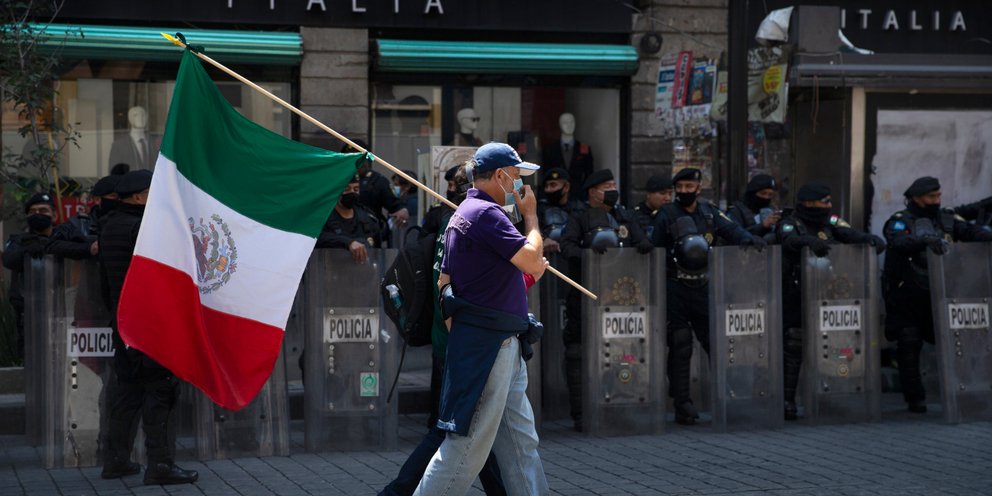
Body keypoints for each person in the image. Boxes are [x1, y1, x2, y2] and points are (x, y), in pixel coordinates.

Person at [415, 142, 547, 496]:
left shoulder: (464, 214)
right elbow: (532, 259)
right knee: (467, 445)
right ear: (500, 175)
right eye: (516, 176)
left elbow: (447, 283)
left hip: (496, 339)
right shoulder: (485, 213)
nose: (520, 186)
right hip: (490, 344)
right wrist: (532, 217)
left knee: (520, 443)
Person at [380, 163, 508, 496]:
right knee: (453, 427)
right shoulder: (471, 223)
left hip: (451, 338)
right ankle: (396, 492)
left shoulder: (450, 222)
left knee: (470, 426)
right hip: (463, 342)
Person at [99, 170, 197, 485]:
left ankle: (116, 460)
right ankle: (161, 465)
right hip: (149, 323)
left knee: (127, 390)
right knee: (160, 388)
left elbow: (105, 282)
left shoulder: (110, 225)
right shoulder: (143, 228)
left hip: (123, 321)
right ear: (139, 197)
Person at [651, 167, 763, 425]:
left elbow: (731, 229)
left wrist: (748, 239)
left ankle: (726, 398)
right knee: (680, 344)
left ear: (699, 188)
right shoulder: (667, 214)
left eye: (689, 187)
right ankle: (682, 403)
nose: (684, 191)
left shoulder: (709, 213)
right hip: (676, 287)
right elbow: (655, 247)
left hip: (704, 287)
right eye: (680, 187)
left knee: (716, 343)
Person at [882, 177, 992, 413]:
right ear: (916, 198)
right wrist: (924, 240)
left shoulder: (947, 219)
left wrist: (986, 235)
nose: (936, 200)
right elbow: (898, 241)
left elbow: (971, 232)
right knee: (909, 343)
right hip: (909, 295)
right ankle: (915, 399)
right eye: (931, 197)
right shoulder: (900, 221)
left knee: (958, 343)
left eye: (939, 196)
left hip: (944, 293)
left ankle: (963, 393)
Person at [777, 182, 885, 420]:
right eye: (824, 202)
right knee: (795, 344)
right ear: (808, 203)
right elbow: (788, 240)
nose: (829, 206)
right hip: (797, 293)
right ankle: (787, 400)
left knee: (834, 343)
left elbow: (850, 234)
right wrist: (808, 241)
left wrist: (870, 240)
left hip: (828, 292)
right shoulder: (791, 222)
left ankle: (834, 393)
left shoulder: (832, 222)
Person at [558, 168, 653, 431]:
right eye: (607, 186)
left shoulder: (624, 216)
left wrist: (643, 245)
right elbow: (566, 247)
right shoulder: (579, 217)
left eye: (614, 185)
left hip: (621, 296)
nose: (613, 190)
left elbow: (641, 241)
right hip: (586, 294)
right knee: (578, 351)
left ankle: (621, 405)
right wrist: (588, 253)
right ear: (593, 192)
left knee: (623, 352)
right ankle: (581, 412)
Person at [2, 192, 95, 359]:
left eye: (43, 210)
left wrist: (53, 245)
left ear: (54, 215)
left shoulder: (64, 236)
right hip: (30, 313)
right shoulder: (19, 241)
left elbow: (85, 248)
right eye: (33, 211)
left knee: (67, 360)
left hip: (65, 311)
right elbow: (10, 259)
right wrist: (29, 248)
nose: (37, 214)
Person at [342, 141, 410, 243]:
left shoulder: (377, 181)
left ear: (367, 160)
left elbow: (393, 203)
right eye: (350, 158)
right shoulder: (337, 179)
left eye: (358, 158)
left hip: (368, 233)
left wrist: (402, 209)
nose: (354, 162)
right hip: (342, 232)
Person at [315, 173, 385, 264]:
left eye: (356, 189)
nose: (352, 192)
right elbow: (317, 238)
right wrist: (348, 242)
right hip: (331, 268)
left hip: (363, 269)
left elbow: (377, 249)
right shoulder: (323, 216)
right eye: (346, 189)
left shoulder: (367, 216)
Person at [542, 113, 593, 201]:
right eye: (565, 122)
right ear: (560, 124)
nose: (569, 125)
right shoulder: (550, 150)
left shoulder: (584, 149)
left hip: (578, 195)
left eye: (572, 122)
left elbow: (589, 173)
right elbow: (546, 174)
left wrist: (585, 193)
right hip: (556, 195)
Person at [537, 167, 585, 255]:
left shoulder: (579, 209)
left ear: (566, 187)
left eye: (553, 185)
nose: (548, 189)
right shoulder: (540, 209)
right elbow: (534, 229)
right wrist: (544, 239)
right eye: (546, 186)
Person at [726, 174, 781, 242]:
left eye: (770, 194)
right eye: (763, 193)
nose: (766, 197)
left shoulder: (770, 209)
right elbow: (734, 234)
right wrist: (762, 226)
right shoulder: (737, 210)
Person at [422, 165, 468, 237]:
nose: (452, 190)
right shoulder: (437, 213)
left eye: (456, 186)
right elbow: (424, 239)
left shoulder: (472, 212)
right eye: (450, 185)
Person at [109, 106, 155, 170]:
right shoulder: (118, 145)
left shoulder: (153, 143)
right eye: (136, 115)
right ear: (130, 118)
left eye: (143, 115)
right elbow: (114, 171)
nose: (140, 118)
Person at [633, 175, 674, 240]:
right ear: (648, 194)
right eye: (662, 193)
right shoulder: (635, 216)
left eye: (670, 194)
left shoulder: (671, 215)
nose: (668, 198)